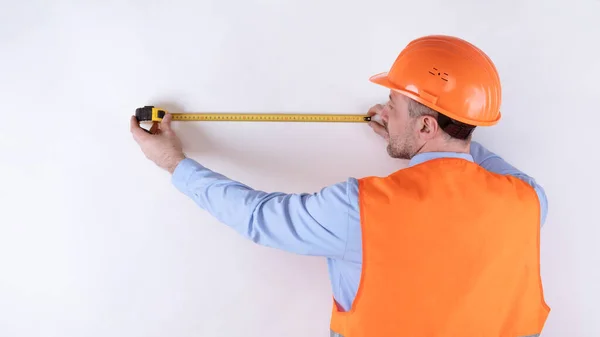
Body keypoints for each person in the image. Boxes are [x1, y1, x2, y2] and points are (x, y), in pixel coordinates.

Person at [131, 35, 550, 337]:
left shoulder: (361, 208)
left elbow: (258, 216)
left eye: (395, 105)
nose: (385, 111)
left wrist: (174, 163)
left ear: (425, 124)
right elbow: (467, 152)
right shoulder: (529, 200)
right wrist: (416, 140)